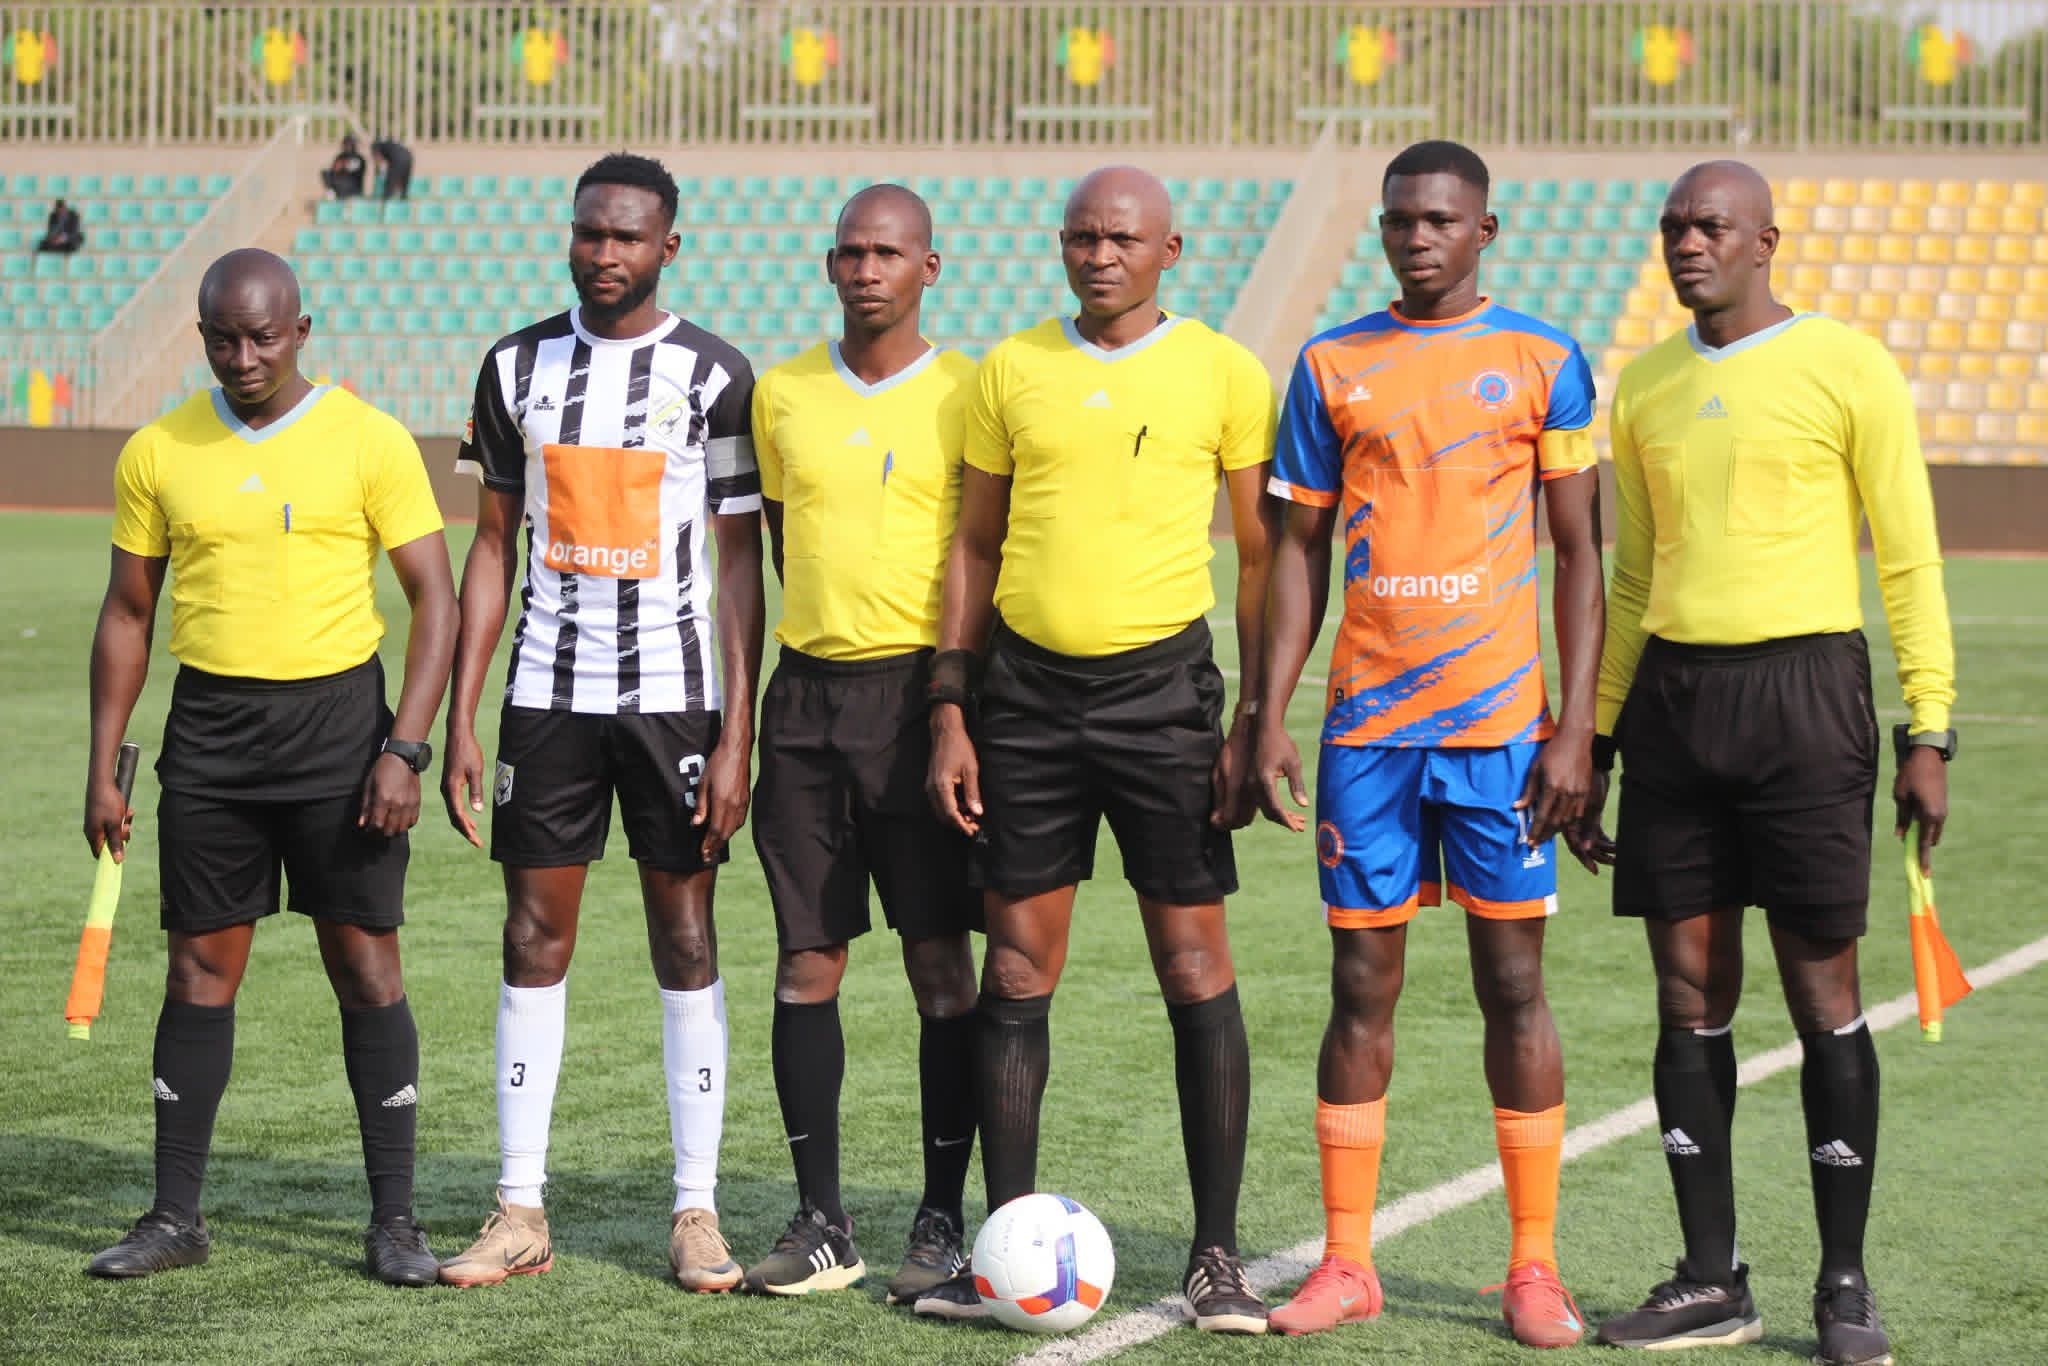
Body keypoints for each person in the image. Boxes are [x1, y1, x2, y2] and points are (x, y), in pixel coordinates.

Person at [1581, 160, 1955, 1366]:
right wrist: (1588, 739)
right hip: (1675, 709)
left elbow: (1906, 559)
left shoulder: (1847, 365)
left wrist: (1928, 730)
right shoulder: (1639, 386)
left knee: (1819, 993)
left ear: (1764, 241)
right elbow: (1630, 581)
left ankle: (1840, 1283)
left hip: (1806, 699)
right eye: (1673, 226)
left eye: (1711, 225)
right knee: (1687, 995)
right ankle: (1708, 1275)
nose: (1687, 242)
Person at [1254, 139, 1603, 1348]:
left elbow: (1579, 552)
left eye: (1440, 220)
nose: (1416, 237)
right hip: (1369, 733)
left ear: (1483, 231)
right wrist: (1267, 713)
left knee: (1514, 987)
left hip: (1503, 735)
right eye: (1400, 219)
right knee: (1360, 985)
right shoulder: (1328, 362)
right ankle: (1347, 1261)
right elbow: (1291, 553)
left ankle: (1532, 1268)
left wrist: (1573, 728)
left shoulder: (1542, 359)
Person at [919, 165, 1277, 1335]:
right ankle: (1006, 1246)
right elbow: (972, 544)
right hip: (1023, 698)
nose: (1097, 255)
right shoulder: (1010, 370)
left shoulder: (1223, 371)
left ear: (1169, 251)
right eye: (1079, 235)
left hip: (1162, 695)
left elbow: (1264, 558)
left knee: (1193, 968)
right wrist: (951, 706)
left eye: (1121, 237)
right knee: (1017, 974)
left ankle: (1215, 1254)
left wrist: (1252, 717)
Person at [82, 248, 458, 1286]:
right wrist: (101, 765)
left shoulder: (368, 438)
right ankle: (173, 1217)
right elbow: (128, 612)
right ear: (201, 335)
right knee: (200, 971)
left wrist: (404, 746)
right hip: (209, 736)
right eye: (221, 338)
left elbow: (438, 598)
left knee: (364, 964)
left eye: (261, 335)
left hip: (342, 734)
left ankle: (394, 1221)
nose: (242, 356)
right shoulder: (158, 449)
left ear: (301, 329)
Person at [436, 152, 766, 1294]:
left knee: (684, 936)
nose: (605, 253)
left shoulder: (715, 374)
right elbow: (491, 544)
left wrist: (737, 732)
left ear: (669, 245)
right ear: (570, 236)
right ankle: (519, 1205)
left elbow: (738, 563)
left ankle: (696, 1210)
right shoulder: (513, 365)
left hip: (674, 697)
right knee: (534, 936)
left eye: (628, 236)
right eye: (589, 233)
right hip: (545, 693)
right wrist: (464, 715)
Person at [739, 184, 981, 1302]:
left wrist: (950, 701)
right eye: (848, 252)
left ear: (930, 267)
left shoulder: (972, 391)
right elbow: (782, 539)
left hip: (922, 706)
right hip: (804, 703)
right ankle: (821, 1218)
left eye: (887, 253)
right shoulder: (780, 390)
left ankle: (940, 1217)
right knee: (805, 960)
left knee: (940, 964)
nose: (865, 269)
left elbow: (984, 555)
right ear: (827, 265)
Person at [322, 135, 366, 200]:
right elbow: (334, 168)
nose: (346, 146)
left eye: (349, 144)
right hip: (339, 186)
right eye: (345, 144)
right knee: (326, 173)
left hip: (352, 188)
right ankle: (331, 194)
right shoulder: (340, 156)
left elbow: (353, 169)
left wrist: (343, 165)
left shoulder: (359, 158)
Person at [371, 137, 413, 202]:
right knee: (404, 181)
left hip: (398, 159)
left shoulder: (376, 146)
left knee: (390, 182)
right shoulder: (387, 144)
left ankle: (386, 200)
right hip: (408, 157)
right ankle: (403, 199)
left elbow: (378, 158)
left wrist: (377, 172)